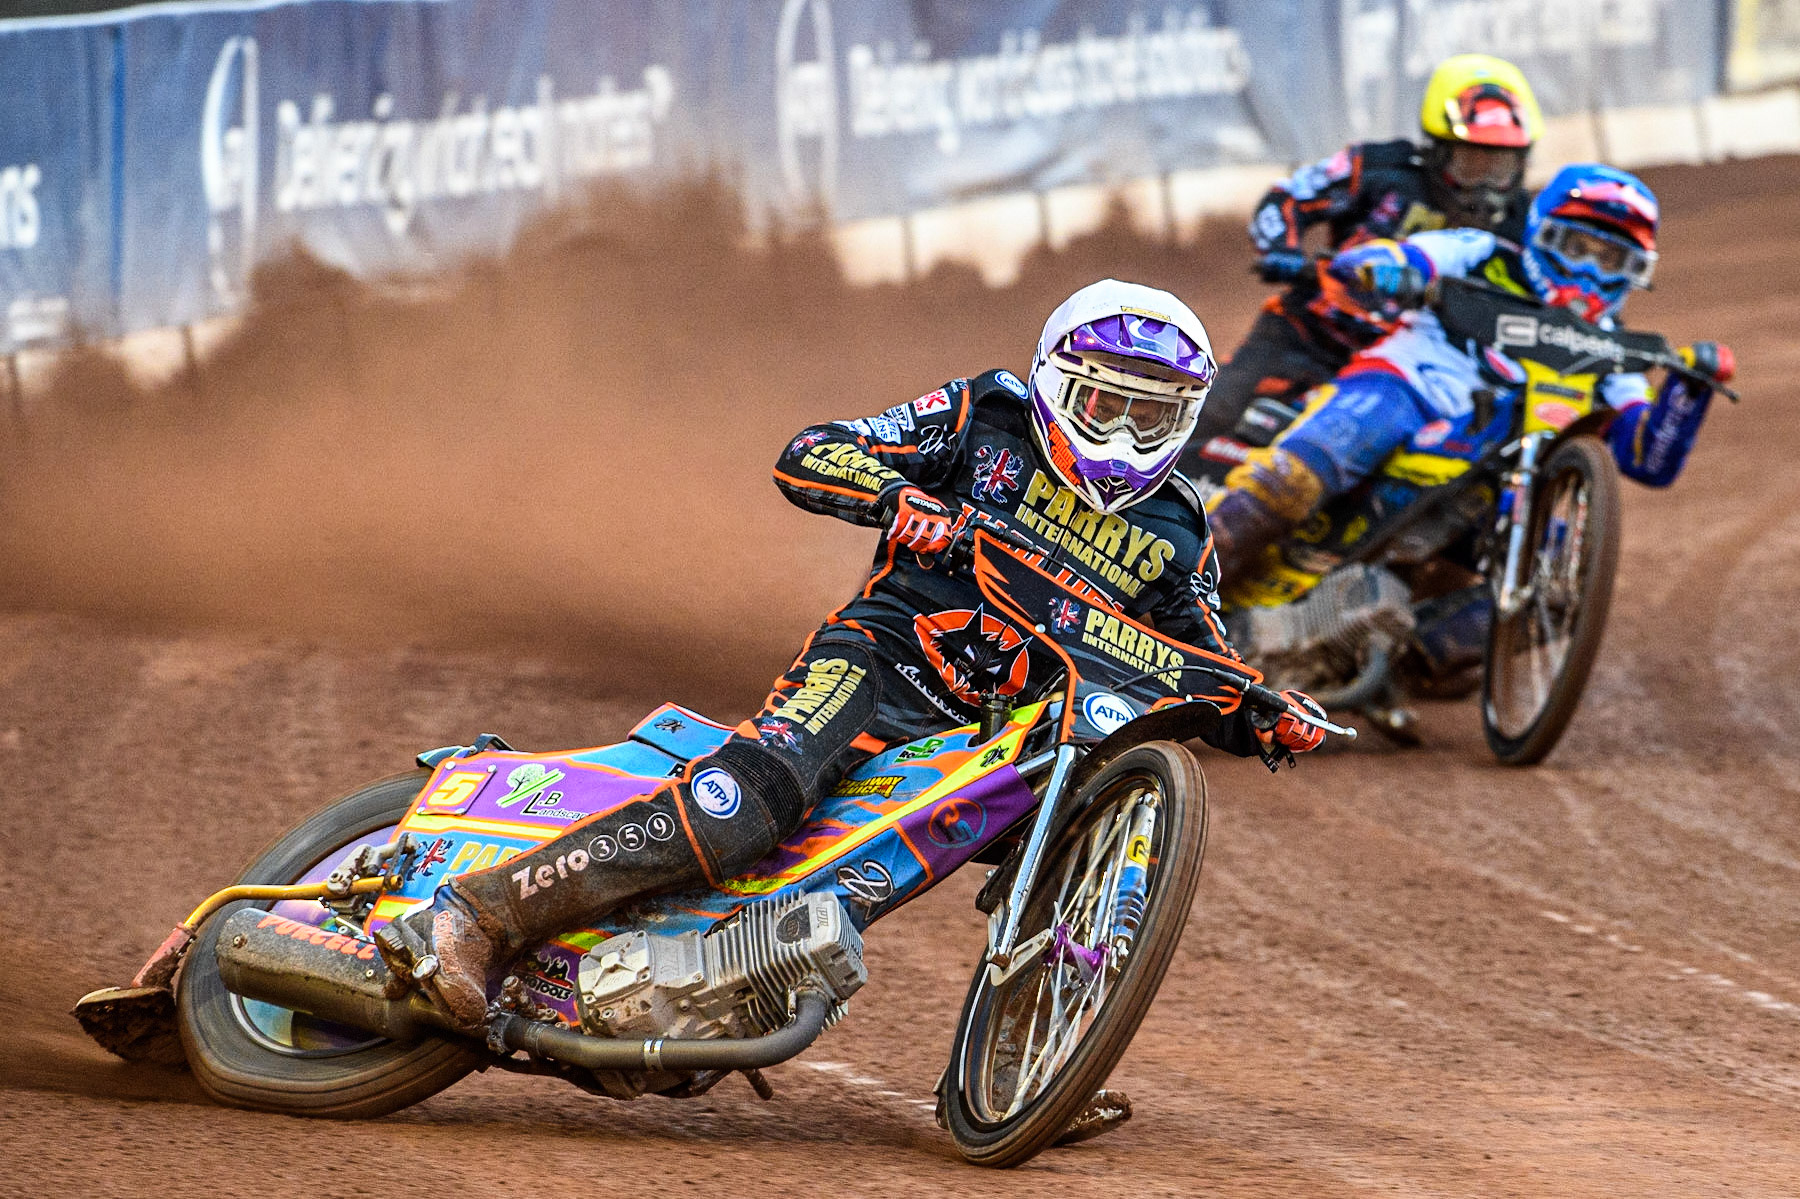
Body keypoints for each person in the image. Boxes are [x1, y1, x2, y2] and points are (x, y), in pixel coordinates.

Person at [381, 280, 1328, 1033]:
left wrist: (1261, 707)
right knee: (748, 806)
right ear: (1052, 383)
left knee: (1098, 823)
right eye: (1105, 406)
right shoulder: (981, 416)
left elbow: (1204, 656)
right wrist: (894, 497)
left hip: (1006, 735)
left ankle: (1058, 1043)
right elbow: (814, 449)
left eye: (1151, 417)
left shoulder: (1179, 528)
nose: (1123, 437)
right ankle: (478, 915)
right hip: (878, 666)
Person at [1204, 163, 1734, 596]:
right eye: (1576, 249)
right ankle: (1179, 578)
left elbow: (1647, 459)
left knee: (1556, 586)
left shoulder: (1611, 349)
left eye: (1612, 260)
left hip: (1501, 463)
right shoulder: (1478, 252)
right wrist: (1384, 269)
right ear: (1542, 235)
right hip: (1409, 385)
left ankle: (1397, 652)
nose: (1589, 274)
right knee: (1301, 473)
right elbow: (1390, 255)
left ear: (1635, 272)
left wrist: (1687, 395)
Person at [1182, 53, 1544, 463]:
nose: (1485, 188)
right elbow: (1289, 197)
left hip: (1415, 369)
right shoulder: (1381, 169)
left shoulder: (1527, 224)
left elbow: (1555, 290)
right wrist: (1280, 251)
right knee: (1208, 415)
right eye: (1471, 164)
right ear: (1439, 151)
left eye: (1499, 169)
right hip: (1310, 336)